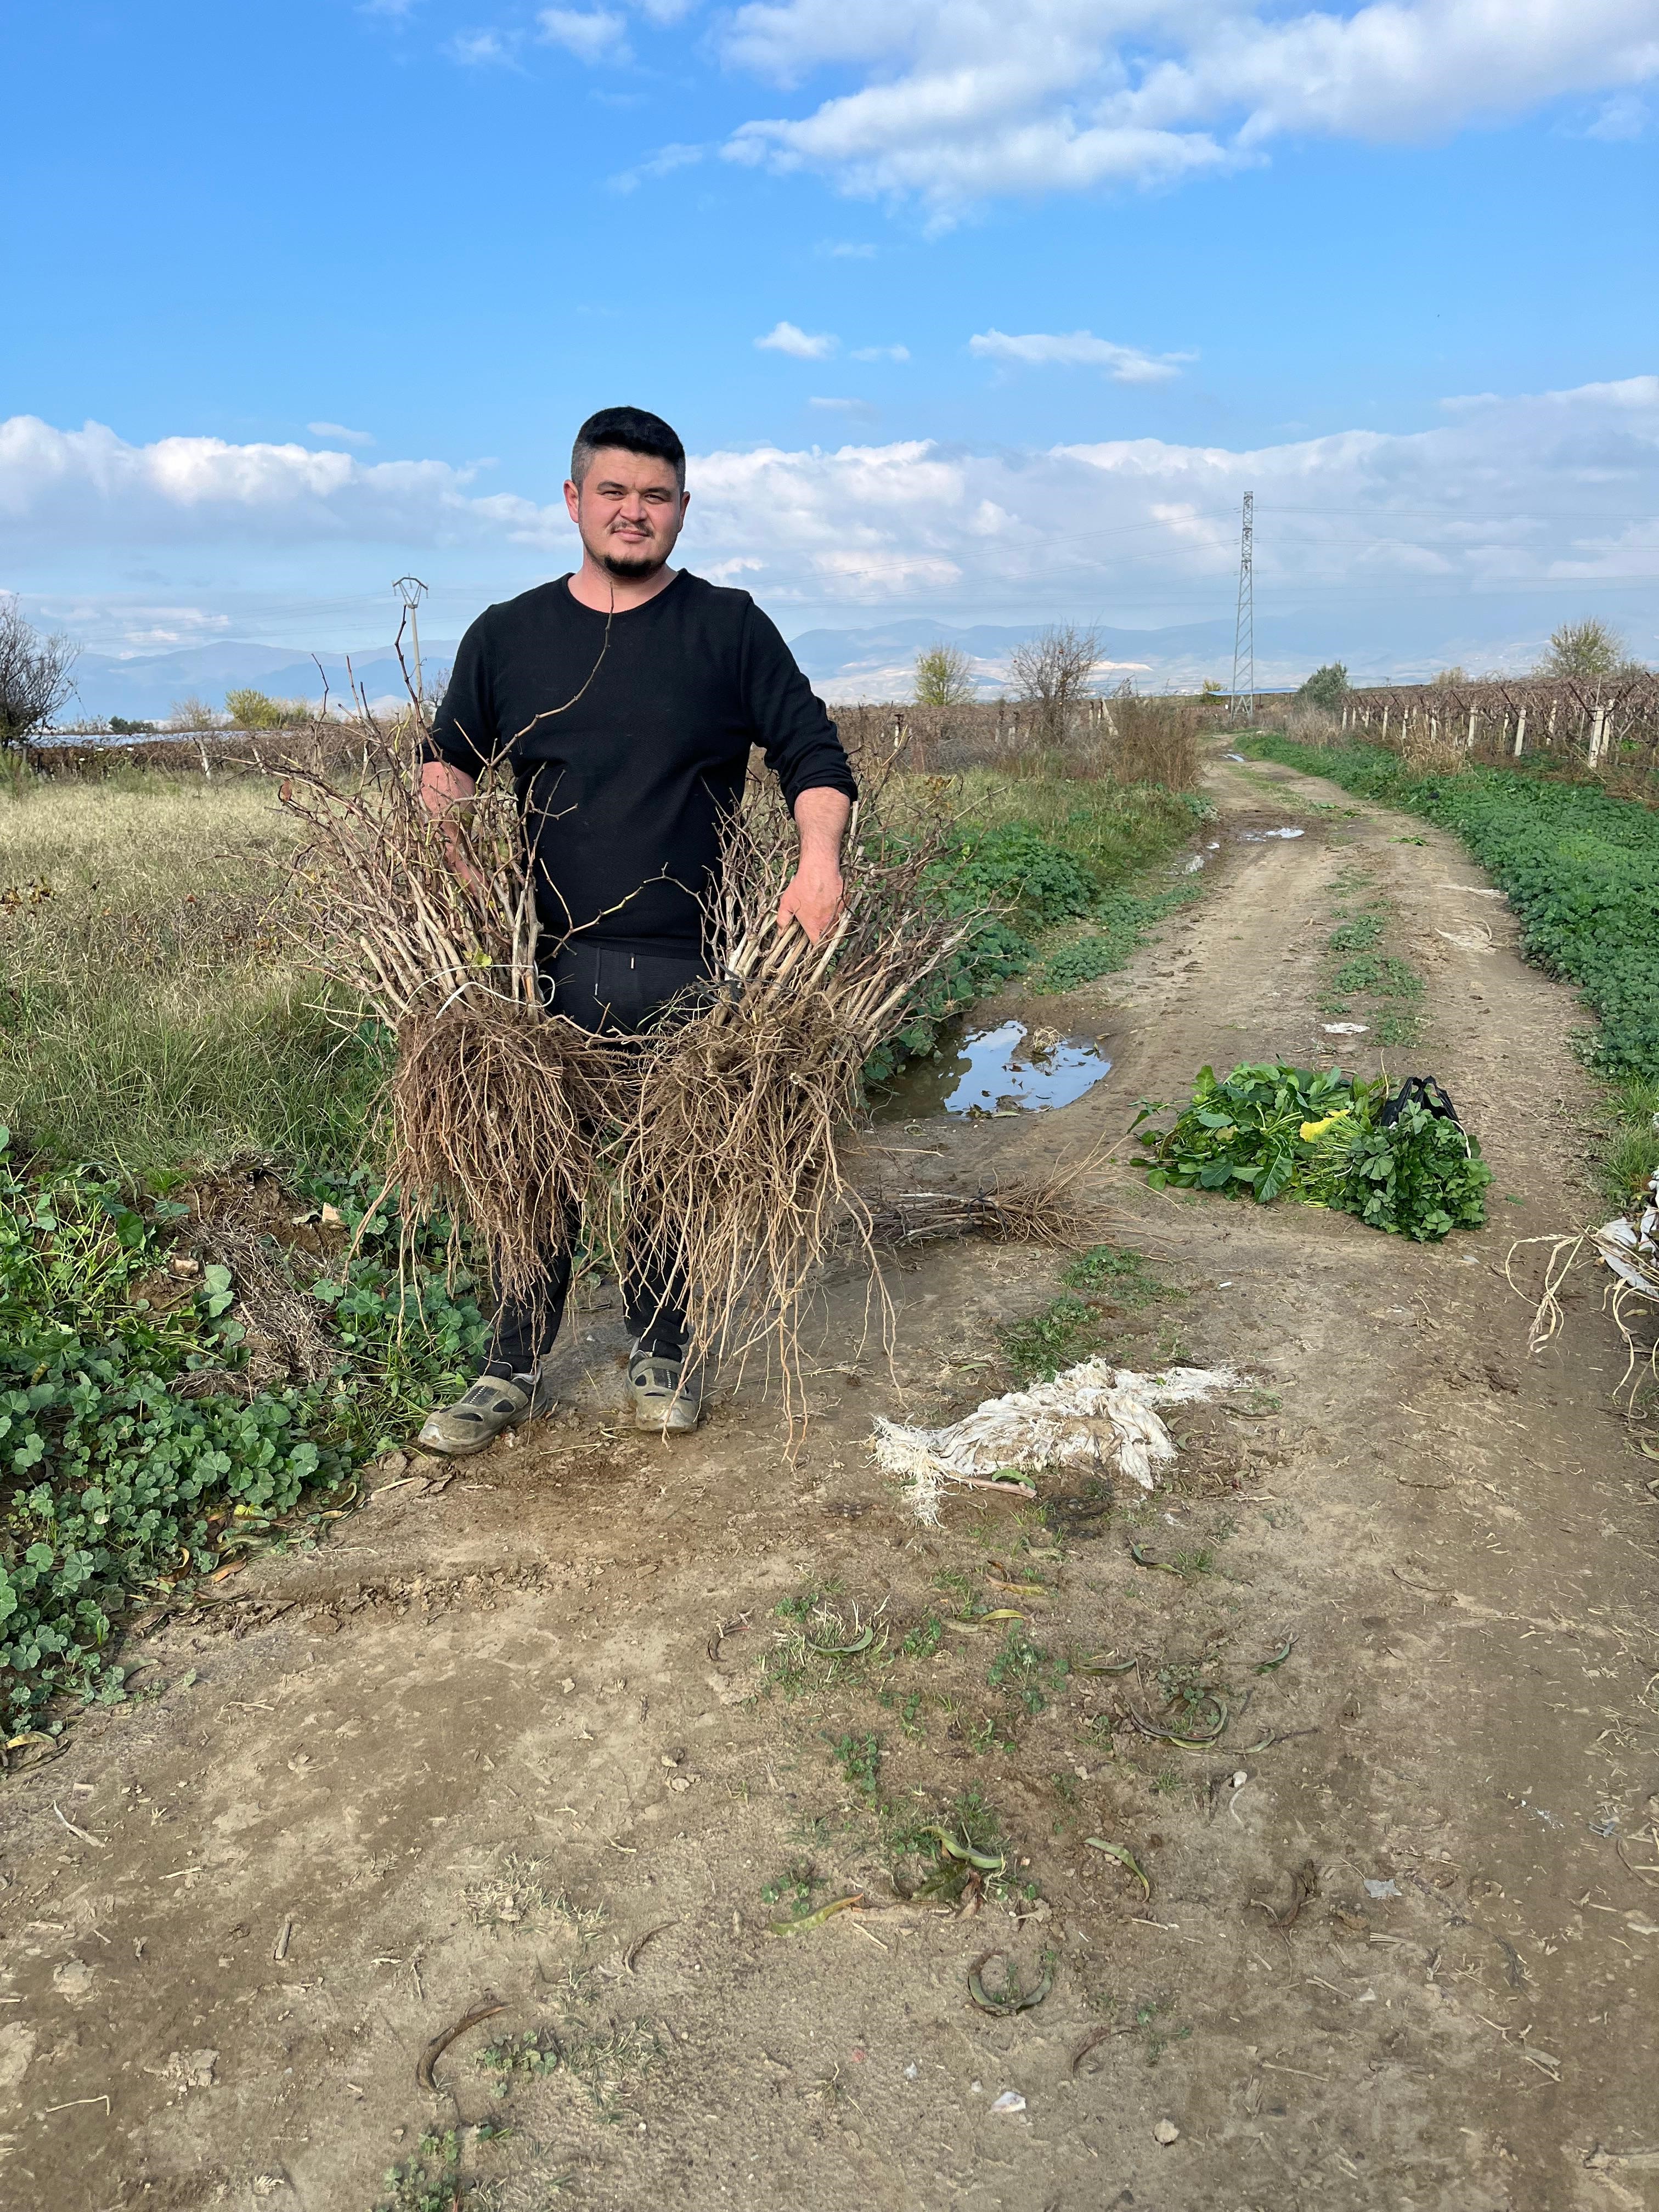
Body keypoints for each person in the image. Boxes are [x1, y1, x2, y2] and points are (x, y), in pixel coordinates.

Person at [411, 404, 856, 1453]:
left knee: (668, 1163)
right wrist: (459, 871)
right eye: (613, 492)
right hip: (542, 971)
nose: (634, 512)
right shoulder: (507, 635)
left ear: (683, 510)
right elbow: (445, 772)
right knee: (531, 1169)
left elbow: (816, 757)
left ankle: (662, 1348)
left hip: (694, 964)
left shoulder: (730, 627)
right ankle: (509, 1367)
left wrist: (819, 860)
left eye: (656, 496)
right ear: (574, 501)